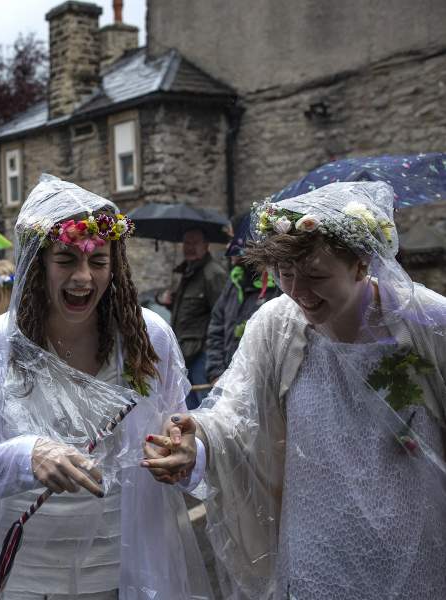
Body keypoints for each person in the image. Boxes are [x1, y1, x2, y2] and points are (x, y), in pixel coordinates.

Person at [0, 175, 211, 600]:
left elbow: (180, 431)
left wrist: (188, 454)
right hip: (23, 576)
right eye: (66, 259)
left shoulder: (147, 337)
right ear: (36, 262)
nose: (84, 277)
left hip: (124, 570)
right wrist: (26, 455)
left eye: (98, 262)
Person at [143, 182, 446, 599]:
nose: (299, 291)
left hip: (417, 550)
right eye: (286, 274)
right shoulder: (277, 325)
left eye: (317, 275)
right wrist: (199, 444)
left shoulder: (429, 323)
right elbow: (236, 413)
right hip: (317, 554)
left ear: (362, 264)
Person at [204, 219, 281, 384]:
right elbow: (216, 327)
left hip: (264, 383)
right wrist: (216, 373)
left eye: (234, 239)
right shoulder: (234, 282)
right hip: (229, 381)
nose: (227, 247)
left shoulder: (279, 286)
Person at [167, 227, 227, 408]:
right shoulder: (188, 272)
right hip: (185, 352)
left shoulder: (213, 273)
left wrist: (216, 357)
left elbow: (221, 315)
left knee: (207, 406)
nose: (190, 247)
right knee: (189, 407)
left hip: (203, 354)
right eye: (187, 243)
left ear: (206, 245)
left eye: (195, 243)